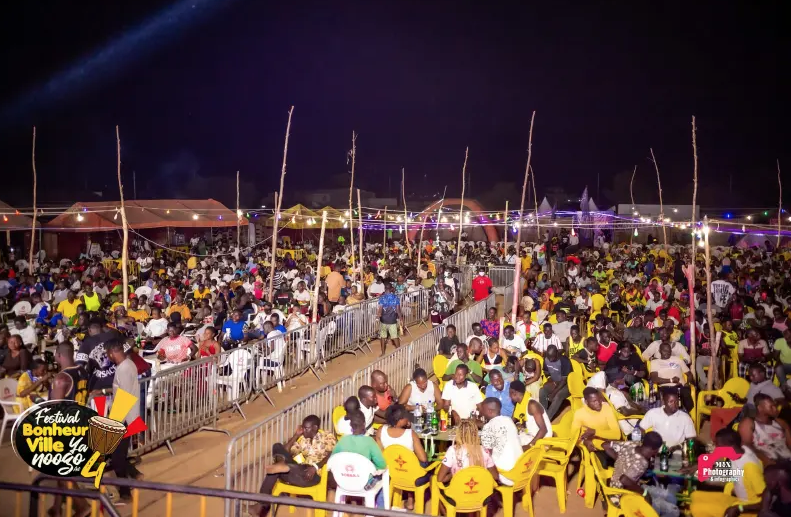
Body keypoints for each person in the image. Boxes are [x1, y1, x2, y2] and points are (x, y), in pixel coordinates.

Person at [255, 415, 336, 517]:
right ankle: (282, 465)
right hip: (298, 472)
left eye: (306, 428)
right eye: (302, 427)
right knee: (277, 446)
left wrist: (315, 467)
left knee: (277, 471)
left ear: (315, 428)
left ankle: (261, 506)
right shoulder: (302, 439)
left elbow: (332, 454)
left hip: (313, 476)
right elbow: (286, 451)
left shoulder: (327, 436)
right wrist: (295, 435)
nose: (303, 430)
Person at [689, 428, 765, 517]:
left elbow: (765, 502)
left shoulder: (750, 466)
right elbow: (729, 468)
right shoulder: (739, 453)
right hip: (738, 501)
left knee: (697, 508)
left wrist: (739, 508)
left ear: (730, 446)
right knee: (695, 496)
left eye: (718, 445)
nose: (716, 448)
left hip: (747, 509)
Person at [601, 432, 678, 517]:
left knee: (670, 497)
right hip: (623, 496)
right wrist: (644, 493)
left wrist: (621, 460)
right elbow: (624, 479)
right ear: (654, 449)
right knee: (674, 511)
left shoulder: (632, 444)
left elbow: (605, 445)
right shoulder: (641, 463)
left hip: (615, 488)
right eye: (657, 449)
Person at [105, 339, 142, 501]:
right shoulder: (127, 364)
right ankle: (134, 474)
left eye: (107, 354)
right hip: (125, 417)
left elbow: (124, 397)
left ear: (111, 353)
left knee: (117, 458)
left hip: (123, 418)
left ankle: (125, 492)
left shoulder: (124, 368)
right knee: (117, 453)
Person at [375, 404, 429, 510]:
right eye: (406, 416)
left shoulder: (381, 431)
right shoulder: (410, 434)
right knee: (420, 463)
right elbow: (423, 459)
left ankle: (407, 500)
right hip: (411, 474)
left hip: (392, 472)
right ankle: (411, 500)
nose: (408, 418)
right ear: (400, 420)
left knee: (407, 462)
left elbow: (381, 454)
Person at [331, 410, 387, 506]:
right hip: (363, 484)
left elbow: (333, 460)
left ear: (351, 425)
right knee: (383, 478)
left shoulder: (343, 440)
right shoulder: (370, 442)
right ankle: (380, 510)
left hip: (343, 482)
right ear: (364, 424)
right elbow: (382, 465)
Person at [479, 397, 523, 485]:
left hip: (505, 475)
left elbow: (487, 455)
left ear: (489, 411)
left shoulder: (488, 427)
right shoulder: (509, 420)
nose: (481, 413)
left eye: (482, 410)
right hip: (521, 471)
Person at [572, 387, 623, 462]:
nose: (598, 403)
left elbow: (617, 435)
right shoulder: (579, 414)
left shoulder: (606, 408)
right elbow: (573, 437)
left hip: (612, 446)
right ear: (586, 402)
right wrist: (584, 442)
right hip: (596, 450)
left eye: (599, 399)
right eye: (594, 401)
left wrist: (595, 432)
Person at [739, 393, 791, 465]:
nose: (775, 409)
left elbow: (790, 444)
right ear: (760, 408)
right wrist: (766, 461)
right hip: (767, 463)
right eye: (771, 407)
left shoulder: (780, 423)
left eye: (775, 406)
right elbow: (746, 445)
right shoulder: (749, 423)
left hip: (787, 460)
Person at [649, 342, 695, 411]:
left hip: (679, 387)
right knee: (665, 400)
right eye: (665, 351)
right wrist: (671, 380)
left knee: (686, 397)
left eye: (669, 351)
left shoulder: (678, 360)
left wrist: (687, 383)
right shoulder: (655, 362)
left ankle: (684, 414)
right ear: (659, 351)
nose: (667, 353)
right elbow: (654, 379)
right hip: (664, 388)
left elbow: (689, 374)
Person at [509, 380, 552, 448]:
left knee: (514, 448)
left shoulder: (532, 404)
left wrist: (529, 446)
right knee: (509, 441)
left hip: (542, 439)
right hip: (531, 436)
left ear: (514, 393)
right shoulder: (519, 404)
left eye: (509, 394)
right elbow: (511, 421)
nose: (509, 397)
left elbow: (543, 430)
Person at [605, 369, 645, 436]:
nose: (624, 378)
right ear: (616, 381)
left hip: (626, 421)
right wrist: (639, 412)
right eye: (622, 377)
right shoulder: (615, 394)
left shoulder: (608, 389)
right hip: (631, 425)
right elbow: (625, 412)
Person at [539, 345, 572, 420]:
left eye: (552, 357)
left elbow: (564, 381)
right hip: (555, 382)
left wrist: (554, 393)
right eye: (549, 357)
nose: (550, 360)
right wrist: (550, 380)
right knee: (542, 391)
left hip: (567, 384)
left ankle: (547, 419)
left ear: (557, 353)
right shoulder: (546, 359)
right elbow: (547, 373)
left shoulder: (564, 361)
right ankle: (543, 414)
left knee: (558, 396)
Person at [377, 283, 402, 356]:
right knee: (394, 337)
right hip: (392, 320)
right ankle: (399, 351)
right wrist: (401, 319)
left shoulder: (382, 298)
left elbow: (380, 310)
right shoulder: (396, 298)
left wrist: (377, 318)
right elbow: (398, 311)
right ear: (391, 289)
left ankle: (383, 353)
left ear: (385, 289)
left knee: (383, 337)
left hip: (383, 320)